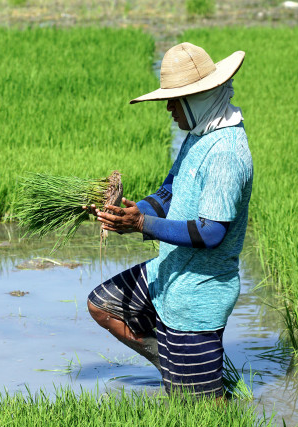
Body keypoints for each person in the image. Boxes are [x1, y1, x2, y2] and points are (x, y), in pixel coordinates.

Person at [85, 42, 253, 398]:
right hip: (169, 270)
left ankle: (194, 381)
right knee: (102, 304)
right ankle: (175, 365)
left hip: (197, 294)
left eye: (175, 99)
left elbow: (211, 233)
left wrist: (140, 225)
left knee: (202, 421)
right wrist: (131, 211)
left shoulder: (226, 154)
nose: (168, 107)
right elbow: (170, 191)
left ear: (200, 97)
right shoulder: (199, 135)